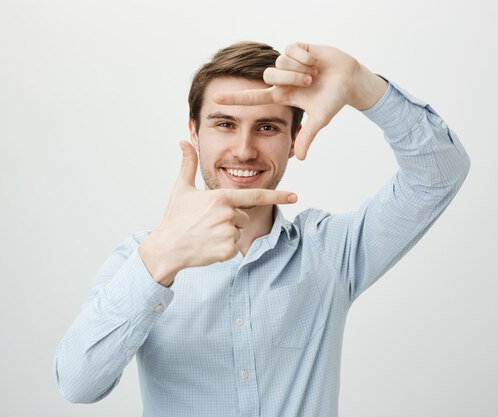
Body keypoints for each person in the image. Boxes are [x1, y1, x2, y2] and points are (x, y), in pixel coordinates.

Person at [54, 41, 470, 416]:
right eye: (224, 124)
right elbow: (78, 385)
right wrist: (162, 257)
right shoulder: (141, 259)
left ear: (294, 139)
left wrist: (363, 86)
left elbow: (438, 172)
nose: (244, 150)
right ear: (194, 132)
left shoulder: (330, 252)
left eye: (267, 127)